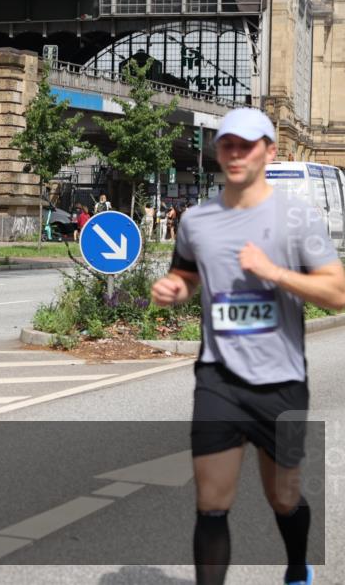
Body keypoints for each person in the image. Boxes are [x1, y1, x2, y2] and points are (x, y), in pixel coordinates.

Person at [151, 108, 345, 585]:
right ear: (218, 152)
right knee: (211, 503)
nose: (236, 153)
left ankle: (297, 568)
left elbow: (337, 292)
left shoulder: (297, 217)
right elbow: (186, 274)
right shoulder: (197, 220)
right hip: (218, 378)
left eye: (247, 145)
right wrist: (176, 288)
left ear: (269, 152)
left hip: (281, 381)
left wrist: (274, 272)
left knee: (284, 497)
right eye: (228, 145)